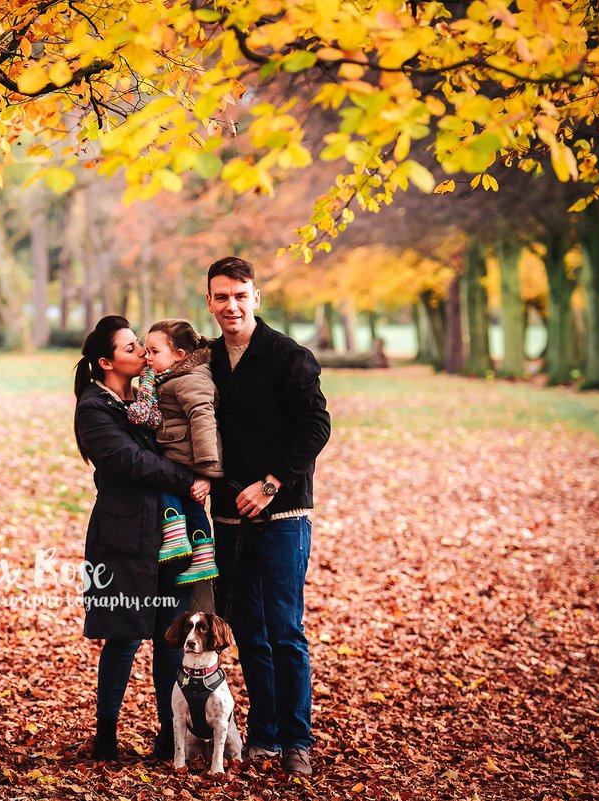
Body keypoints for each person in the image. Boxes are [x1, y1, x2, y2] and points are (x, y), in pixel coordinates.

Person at [205, 257, 331, 776]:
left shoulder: (288, 357)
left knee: (285, 630)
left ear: (256, 297)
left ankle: (296, 739)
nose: (230, 305)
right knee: (249, 631)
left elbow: (315, 428)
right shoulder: (204, 359)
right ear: (209, 301)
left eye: (240, 295)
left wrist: (272, 482)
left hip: (283, 513)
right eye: (220, 297)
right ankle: (264, 735)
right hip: (228, 516)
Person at [73, 315, 211, 762]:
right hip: (125, 535)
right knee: (124, 636)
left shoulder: (150, 394)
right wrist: (188, 475)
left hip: (172, 536)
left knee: (171, 635)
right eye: (130, 347)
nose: (141, 353)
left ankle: (169, 735)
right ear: (105, 360)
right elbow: (129, 461)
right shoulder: (94, 408)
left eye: (140, 346)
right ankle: (106, 735)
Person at [126, 320, 223, 606]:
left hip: (186, 455)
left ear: (179, 355)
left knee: (163, 482)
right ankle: (203, 557)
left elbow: (203, 418)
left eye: (154, 351)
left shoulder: (190, 379)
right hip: (184, 452)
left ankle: (175, 537)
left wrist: (206, 469)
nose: (148, 356)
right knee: (194, 509)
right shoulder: (175, 377)